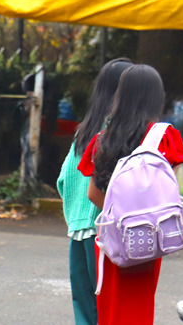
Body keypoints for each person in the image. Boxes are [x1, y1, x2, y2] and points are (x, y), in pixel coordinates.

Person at [77, 64, 183, 325]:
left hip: (111, 238)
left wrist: (119, 216)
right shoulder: (165, 136)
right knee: (138, 308)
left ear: (120, 96)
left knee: (110, 309)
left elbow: (93, 193)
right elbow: (169, 189)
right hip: (148, 234)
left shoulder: (103, 139)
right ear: (155, 97)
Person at [57, 58, 131, 325]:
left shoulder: (84, 131)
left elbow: (63, 180)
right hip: (103, 231)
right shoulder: (116, 133)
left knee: (85, 308)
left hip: (77, 232)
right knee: (109, 308)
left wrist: (75, 213)